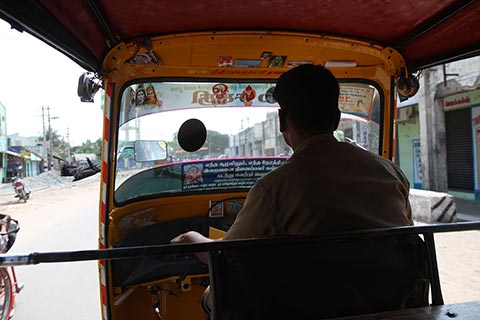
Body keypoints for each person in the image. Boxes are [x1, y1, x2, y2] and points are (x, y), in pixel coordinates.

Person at [171, 64, 412, 319]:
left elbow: (226, 257)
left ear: (282, 121)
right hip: (392, 307)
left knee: (215, 296)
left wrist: (192, 240)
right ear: (337, 118)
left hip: (312, 308)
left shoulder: (273, 189)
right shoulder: (391, 174)